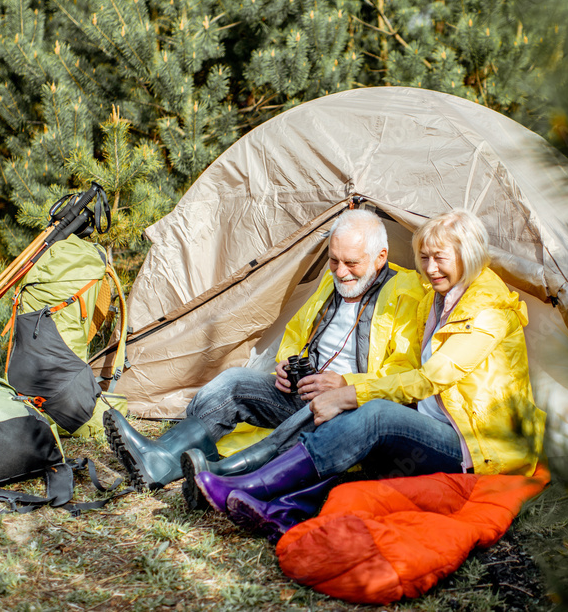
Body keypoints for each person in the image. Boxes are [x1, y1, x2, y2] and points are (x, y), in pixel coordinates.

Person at [188, 209, 546, 541]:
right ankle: (283, 509)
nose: (431, 268)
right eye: (424, 257)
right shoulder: (436, 298)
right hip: (429, 423)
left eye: (441, 258)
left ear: (468, 256)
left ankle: (248, 486)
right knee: (354, 418)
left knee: (374, 413)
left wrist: (352, 391)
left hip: (473, 443)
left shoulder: (489, 309)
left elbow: (431, 378)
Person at [103, 208, 425, 491]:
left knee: (317, 412)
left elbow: (403, 374)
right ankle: (160, 458)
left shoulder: (405, 292)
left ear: (380, 257)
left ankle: (222, 478)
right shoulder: (332, 284)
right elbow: (297, 331)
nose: (340, 272)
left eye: (351, 263)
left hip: (347, 408)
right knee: (232, 384)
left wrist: (346, 386)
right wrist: (286, 363)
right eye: (333, 260)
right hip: (301, 391)